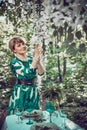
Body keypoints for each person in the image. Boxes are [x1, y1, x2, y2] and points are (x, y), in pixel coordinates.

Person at [8, 37, 44, 115]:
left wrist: (37, 61)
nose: (23, 46)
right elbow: (27, 74)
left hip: (33, 90)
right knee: (19, 116)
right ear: (14, 50)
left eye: (23, 44)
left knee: (34, 115)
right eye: (19, 45)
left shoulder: (31, 59)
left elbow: (41, 73)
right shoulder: (14, 62)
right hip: (21, 92)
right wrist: (36, 58)